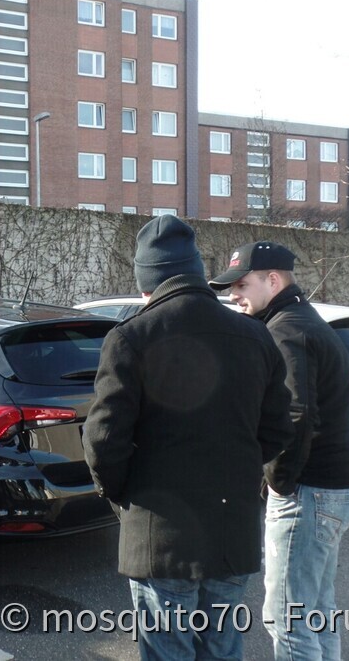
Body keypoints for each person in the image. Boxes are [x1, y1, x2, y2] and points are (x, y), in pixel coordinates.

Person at [82, 216, 293, 661]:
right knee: (222, 649)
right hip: (231, 532)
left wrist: (124, 496)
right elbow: (276, 429)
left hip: (160, 537)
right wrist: (236, 472)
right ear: (197, 271)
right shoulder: (255, 335)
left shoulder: (130, 337)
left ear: (147, 282)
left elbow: (103, 440)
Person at [209, 241, 349, 661]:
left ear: (272, 280)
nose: (232, 296)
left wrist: (279, 483)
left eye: (241, 284)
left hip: (311, 490)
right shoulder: (300, 320)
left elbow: (296, 413)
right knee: (315, 612)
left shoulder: (286, 329)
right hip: (336, 485)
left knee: (288, 619)